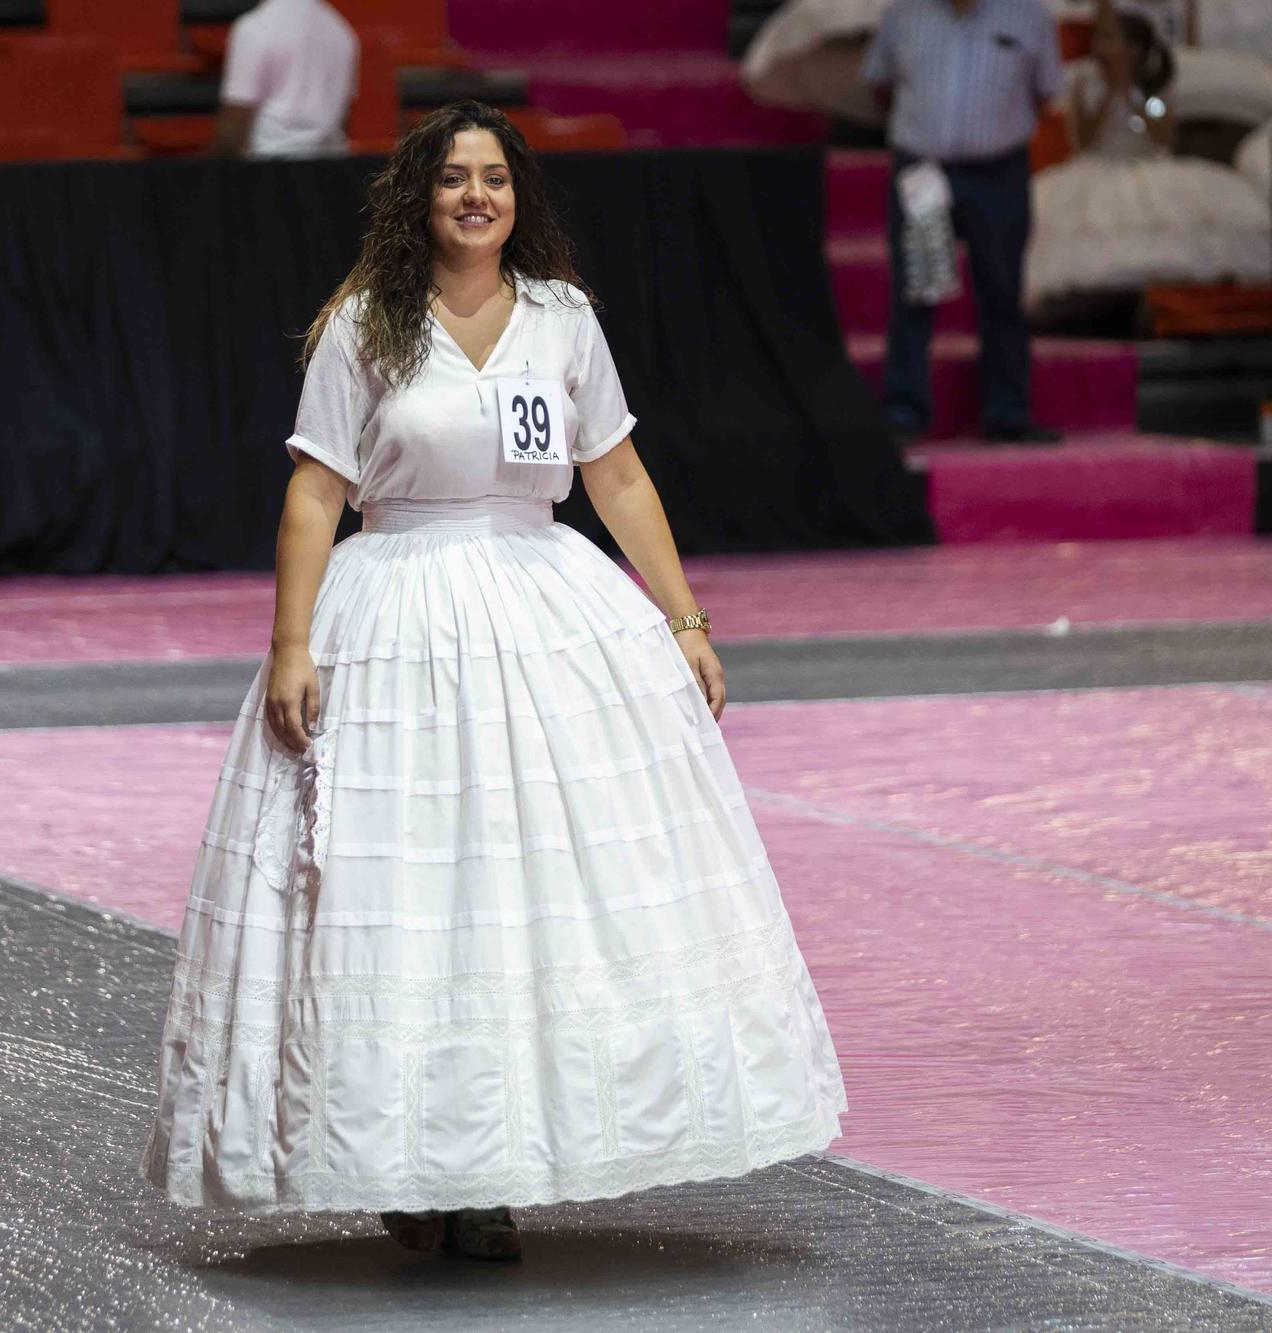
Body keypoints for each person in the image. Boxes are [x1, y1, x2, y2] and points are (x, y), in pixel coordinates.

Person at [142, 102, 847, 1259]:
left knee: (520, 897)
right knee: (406, 901)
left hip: (541, 613)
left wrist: (683, 619)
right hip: (398, 619)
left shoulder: (563, 321)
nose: (477, 196)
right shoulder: (364, 325)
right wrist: (290, 642)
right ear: (416, 196)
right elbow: (314, 495)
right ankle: (412, 1169)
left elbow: (614, 476)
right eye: (454, 178)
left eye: (496, 179)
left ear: (519, 199)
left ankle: (485, 1167)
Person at [862, 0, 1067, 444]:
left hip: (998, 173)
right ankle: (904, 411)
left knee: (1001, 290)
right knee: (918, 289)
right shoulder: (905, 13)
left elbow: (1048, 90)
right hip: (923, 172)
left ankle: (1007, 413)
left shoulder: (1028, 15)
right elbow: (879, 84)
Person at [1028, 4, 1272, 325]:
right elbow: (1083, 139)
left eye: (1111, 39)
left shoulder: (1154, 88)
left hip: (1145, 164)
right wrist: (1108, 96)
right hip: (1096, 167)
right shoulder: (1086, 82)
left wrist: (1133, 93)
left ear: (1134, 47)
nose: (1103, 46)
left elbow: (1161, 135)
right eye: (1100, 38)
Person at [211, 0, 359, 159]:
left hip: (270, 165)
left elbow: (236, 118)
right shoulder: (341, 31)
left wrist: (216, 174)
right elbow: (345, 114)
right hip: (329, 165)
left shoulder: (255, 27)